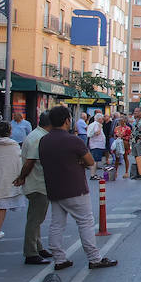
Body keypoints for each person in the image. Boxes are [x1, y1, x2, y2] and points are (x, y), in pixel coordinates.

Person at [39, 106, 117, 270]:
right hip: (74, 188)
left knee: (56, 224)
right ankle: (94, 258)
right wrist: (78, 162)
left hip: (54, 188)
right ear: (67, 120)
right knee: (85, 222)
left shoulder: (44, 140)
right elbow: (89, 161)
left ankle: (59, 259)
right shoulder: (73, 140)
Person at [13, 111, 55, 265]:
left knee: (37, 218)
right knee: (35, 219)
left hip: (38, 182)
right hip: (37, 183)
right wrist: (22, 177)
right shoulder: (39, 138)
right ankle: (31, 252)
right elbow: (30, 161)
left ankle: (38, 246)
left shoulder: (37, 134)